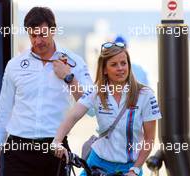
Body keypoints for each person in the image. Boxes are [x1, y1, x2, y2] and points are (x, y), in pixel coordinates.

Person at [0, 6, 92, 176]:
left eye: (42, 34)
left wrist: (69, 78)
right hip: (18, 150)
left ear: (53, 30)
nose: (37, 41)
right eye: (32, 35)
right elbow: (3, 111)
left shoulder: (73, 62)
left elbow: (91, 107)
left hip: (55, 149)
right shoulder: (15, 65)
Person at [53, 42, 162, 176]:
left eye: (123, 63)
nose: (120, 68)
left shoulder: (145, 95)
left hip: (130, 168)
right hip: (97, 164)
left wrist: (136, 169)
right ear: (104, 69)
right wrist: (57, 141)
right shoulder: (97, 91)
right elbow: (74, 115)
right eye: (114, 64)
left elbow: (149, 139)